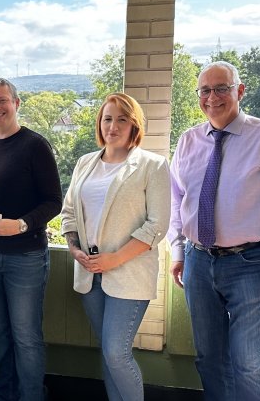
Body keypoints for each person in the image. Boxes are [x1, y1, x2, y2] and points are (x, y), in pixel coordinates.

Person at [167, 61, 260, 400]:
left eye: (222, 88)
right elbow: (176, 202)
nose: (212, 97)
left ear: (239, 91)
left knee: (248, 363)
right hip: (198, 262)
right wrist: (178, 251)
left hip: (252, 264)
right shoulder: (188, 142)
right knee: (209, 359)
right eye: (205, 90)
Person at [59, 93, 170, 401]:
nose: (113, 125)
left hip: (129, 274)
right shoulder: (85, 163)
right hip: (90, 274)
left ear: (134, 125)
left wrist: (115, 259)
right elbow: (69, 214)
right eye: (107, 118)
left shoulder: (153, 165)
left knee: (116, 352)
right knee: (108, 355)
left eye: (122, 119)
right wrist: (74, 249)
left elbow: (157, 225)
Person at [0, 78, 62, 401]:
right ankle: (4, 395)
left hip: (26, 257)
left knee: (26, 338)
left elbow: (53, 202)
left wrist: (20, 225)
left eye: (2, 101)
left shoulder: (36, 146)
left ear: (17, 104)